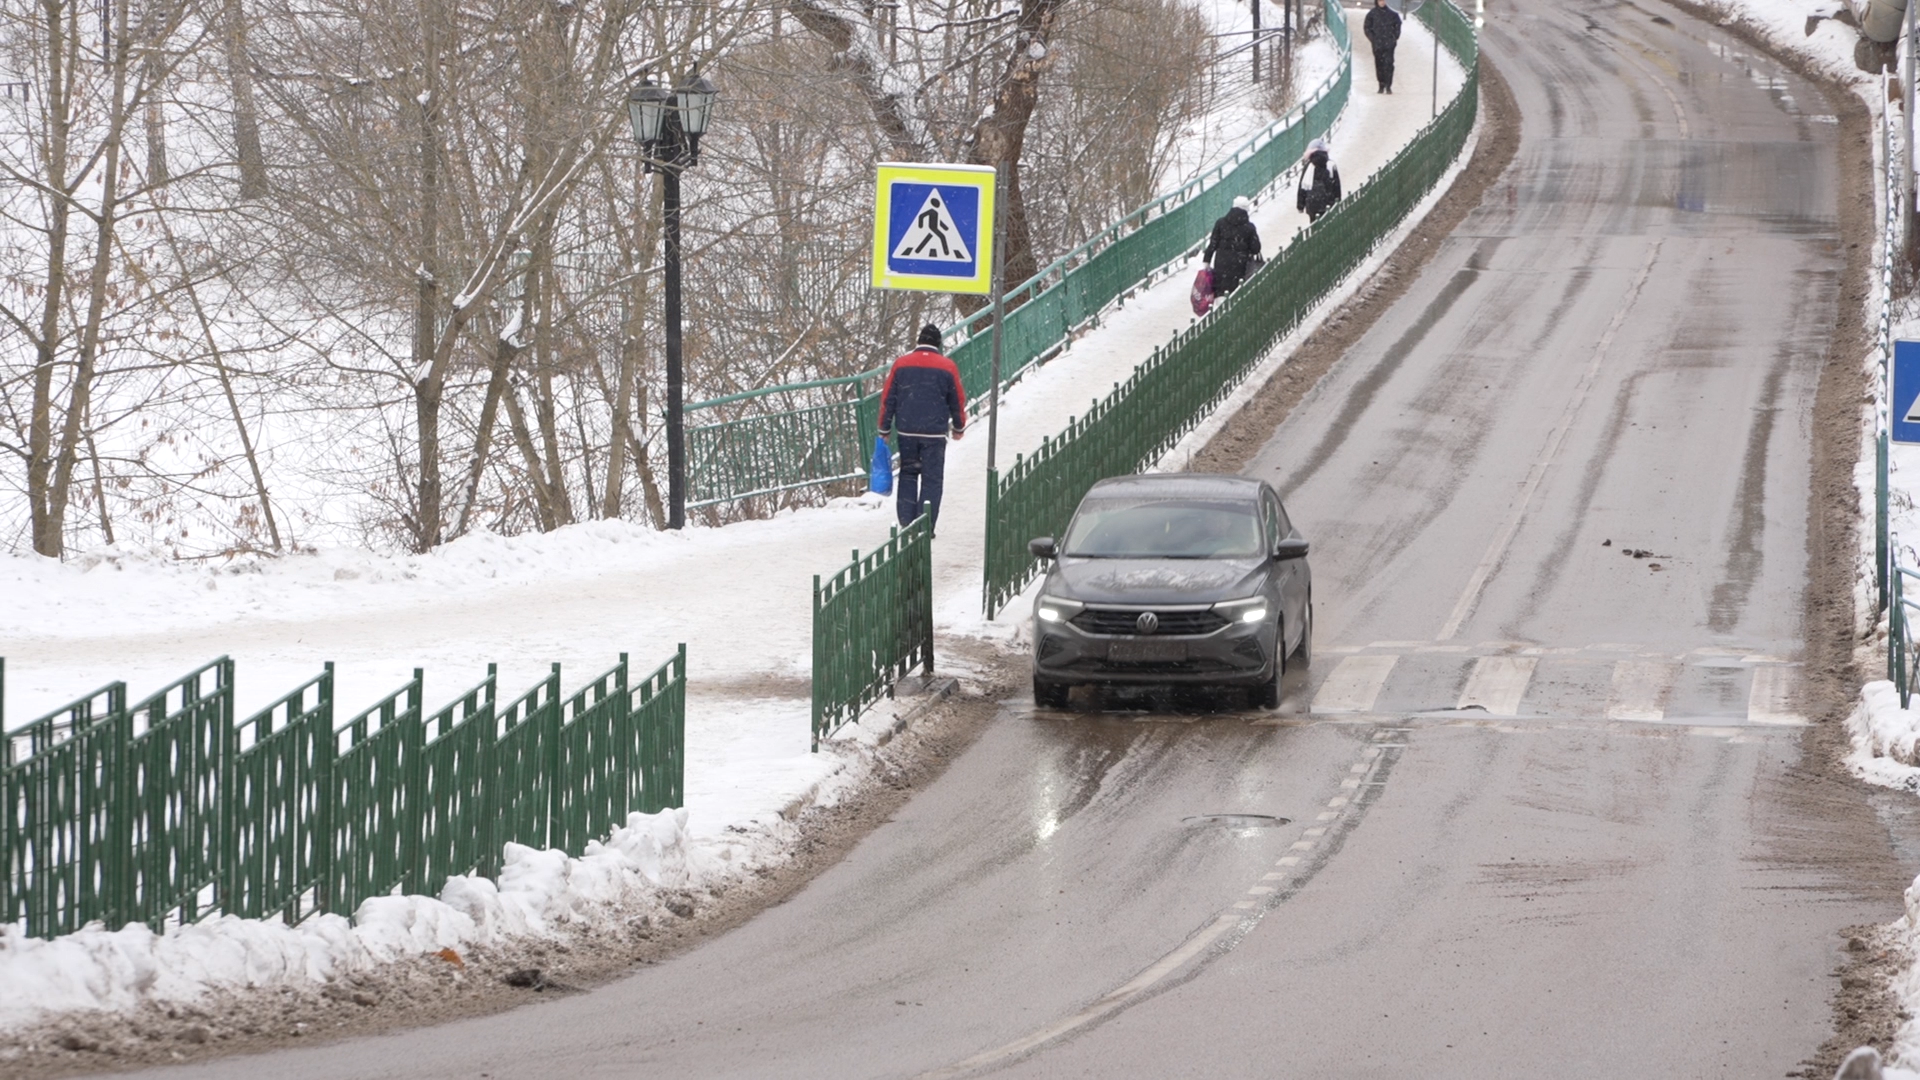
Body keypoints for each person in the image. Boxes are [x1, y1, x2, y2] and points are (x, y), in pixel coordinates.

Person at [878, 323, 966, 535]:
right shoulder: (947, 367)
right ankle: (925, 527)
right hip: (934, 433)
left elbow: (888, 398)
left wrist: (884, 427)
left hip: (906, 431)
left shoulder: (901, 364)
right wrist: (958, 426)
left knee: (908, 474)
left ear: (919, 341)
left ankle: (907, 523)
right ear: (938, 344)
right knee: (932, 479)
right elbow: (957, 400)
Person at [1203, 195, 1263, 297]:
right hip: (1240, 267)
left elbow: (1213, 243)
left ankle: (1221, 308)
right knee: (1237, 293)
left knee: (1221, 292)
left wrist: (1207, 260)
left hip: (1221, 265)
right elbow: (1255, 249)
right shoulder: (1249, 228)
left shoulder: (1220, 223)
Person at [1297, 138, 1342, 222]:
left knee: (1314, 227)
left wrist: (1300, 205)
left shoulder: (1308, 167)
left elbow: (1302, 187)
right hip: (1328, 202)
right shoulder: (1331, 165)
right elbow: (1336, 186)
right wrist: (1338, 200)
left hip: (1312, 205)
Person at [1364, 0, 1402, 94]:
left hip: (1389, 44)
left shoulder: (1392, 13)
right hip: (1377, 44)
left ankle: (1388, 85)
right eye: (1380, 0)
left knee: (1389, 64)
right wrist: (1373, 39)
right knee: (1379, 64)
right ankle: (1381, 85)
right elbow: (1367, 27)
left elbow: (1398, 25)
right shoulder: (1372, 14)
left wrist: (1394, 37)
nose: (1382, 2)